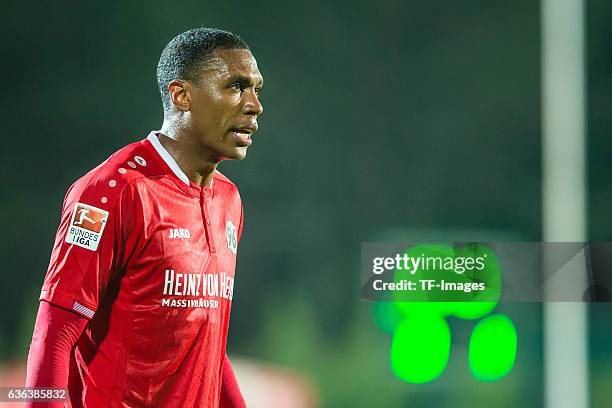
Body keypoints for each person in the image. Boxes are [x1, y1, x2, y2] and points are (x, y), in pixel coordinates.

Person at [25, 27, 264, 407]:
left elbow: (206, 345)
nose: (254, 105)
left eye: (256, 89)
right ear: (182, 95)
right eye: (236, 87)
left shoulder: (228, 200)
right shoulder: (112, 192)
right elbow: (53, 336)